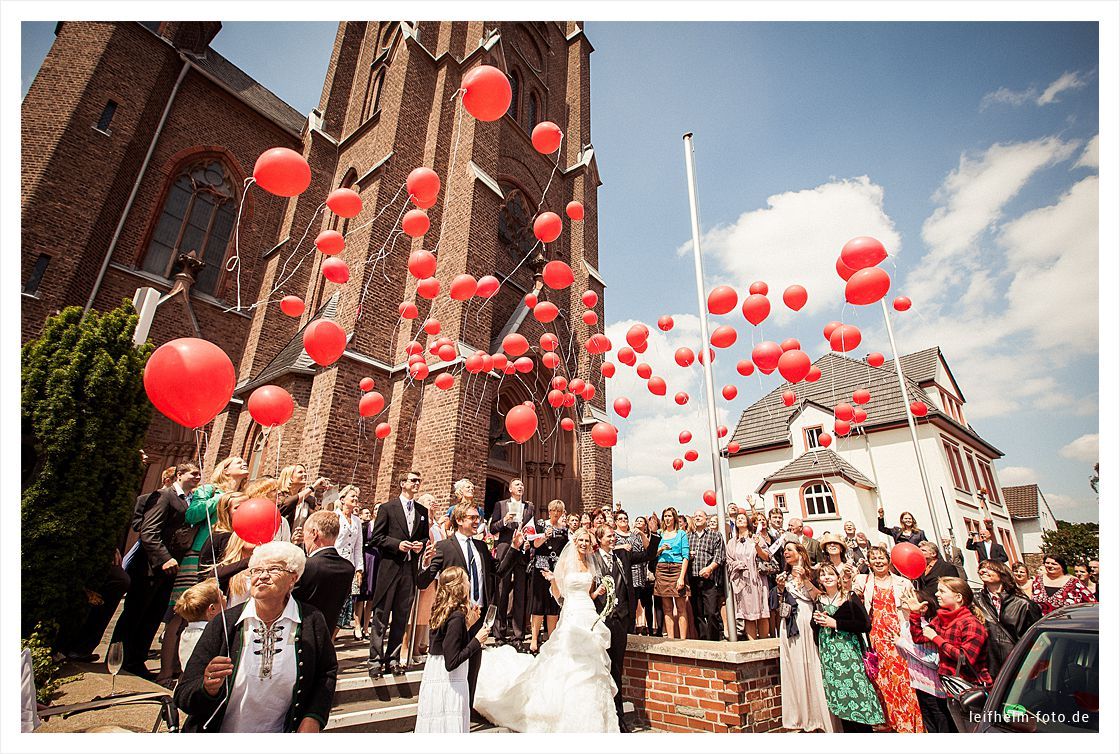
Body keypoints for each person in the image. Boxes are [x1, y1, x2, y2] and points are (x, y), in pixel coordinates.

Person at [174, 541, 337, 732]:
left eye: (274, 569)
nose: (262, 576)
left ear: (293, 578)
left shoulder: (311, 620)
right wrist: (207, 688)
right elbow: (183, 694)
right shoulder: (225, 622)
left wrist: (313, 717)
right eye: (257, 570)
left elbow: (326, 672)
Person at [473, 527, 620, 733]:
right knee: (570, 659)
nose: (584, 544)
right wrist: (560, 595)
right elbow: (559, 593)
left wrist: (599, 592)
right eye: (581, 540)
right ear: (575, 542)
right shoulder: (565, 563)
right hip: (572, 613)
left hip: (588, 613)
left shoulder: (591, 564)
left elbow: (590, 594)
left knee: (593, 663)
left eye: (587, 541)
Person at [417, 502, 522, 706]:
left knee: (473, 667)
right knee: (454, 664)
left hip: (478, 615)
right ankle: (449, 706)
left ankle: (467, 709)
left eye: (478, 518)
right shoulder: (445, 547)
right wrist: (425, 564)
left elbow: (498, 571)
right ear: (459, 520)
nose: (477, 522)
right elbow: (423, 581)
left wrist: (514, 548)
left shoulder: (481, 546)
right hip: (455, 618)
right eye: (472, 518)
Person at [112, 462, 201, 679]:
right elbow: (149, 531)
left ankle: (136, 661)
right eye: (193, 473)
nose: (198, 477)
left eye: (199, 474)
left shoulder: (189, 500)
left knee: (151, 616)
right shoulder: (164, 496)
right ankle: (117, 659)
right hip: (150, 567)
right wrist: (164, 558)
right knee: (135, 614)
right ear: (180, 475)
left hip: (170, 569)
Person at [855, 545, 926, 733]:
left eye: (881, 558)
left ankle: (909, 722)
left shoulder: (903, 582)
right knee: (883, 678)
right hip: (877, 635)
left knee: (903, 677)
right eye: (874, 558)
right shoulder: (864, 581)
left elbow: (912, 608)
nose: (878, 562)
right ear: (869, 562)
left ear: (889, 561)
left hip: (897, 633)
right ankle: (889, 721)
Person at [414, 567, 491, 733]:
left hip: (437, 676)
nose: (470, 584)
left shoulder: (441, 611)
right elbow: (452, 661)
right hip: (449, 683)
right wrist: (477, 640)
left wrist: (469, 626)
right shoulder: (456, 617)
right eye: (466, 581)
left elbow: (447, 642)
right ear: (459, 587)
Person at [368, 471, 429, 677]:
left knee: (401, 617)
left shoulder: (422, 511)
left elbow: (424, 537)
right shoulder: (388, 508)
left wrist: (421, 545)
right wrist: (397, 544)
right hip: (390, 567)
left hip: (410, 570)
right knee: (381, 615)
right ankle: (375, 660)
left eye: (418, 481)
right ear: (402, 483)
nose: (416, 483)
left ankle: (393, 658)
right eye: (413, 480)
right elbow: (376, 538)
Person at [811, 563, 885, 732]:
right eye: (823, 575)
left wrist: (836, 623)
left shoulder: (849, 597)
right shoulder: (819, 600)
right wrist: (817, 621)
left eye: (830, 574)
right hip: (830, 655)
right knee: (842, 699)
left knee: (857, 694)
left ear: (838, 578)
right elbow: (815, 629)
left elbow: (865, 624)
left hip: (849, 653)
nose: (827, 577)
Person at [773, 542, 836, 732]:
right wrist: (780, 588)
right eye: (785, 551)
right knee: (794, 665)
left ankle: (817, 716)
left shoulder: (814, 572)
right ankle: (799, 716)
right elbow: (778, 603)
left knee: (812, 663)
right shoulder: (784, 575)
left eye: (790, 549)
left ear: (800, 552)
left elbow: (819, 597)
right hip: (790, 622)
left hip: (807, 620)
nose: (786, 553)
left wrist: (805, 580)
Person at [905, 577, 993, 697]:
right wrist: (915, 614)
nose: (936, 594)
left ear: (958, 597)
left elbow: (965, 659)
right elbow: (919, 638)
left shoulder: (971, 624)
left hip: (972, 688)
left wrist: (937, 639)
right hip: (951, 687)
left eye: (942, 591)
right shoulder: (941, 618)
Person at [593, 525, 636, 731]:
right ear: (600, 539)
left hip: (620, 619)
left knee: (617, 667)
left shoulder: (620, 557)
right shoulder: (592, 560)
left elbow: (647, 554)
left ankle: (619, 716)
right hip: (601, 620)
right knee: (602, 667)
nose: (613, 539)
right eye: (610, 536)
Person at [293, 510, 356, 637]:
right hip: (326, 636)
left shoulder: (306, 565)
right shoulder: (347, 568)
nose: (304, 539)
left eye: (305, 534)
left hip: (300, 636)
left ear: (314, 533)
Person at [974, 560, 1042, 676]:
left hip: (1018, 666)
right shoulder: (975, 601)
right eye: (981, 568)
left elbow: (1037, 640)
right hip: (988, 666)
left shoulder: (1024, 604)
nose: (983, 571)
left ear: (1002, 574)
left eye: (989, 568)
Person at [488, 478, 535, 645]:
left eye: (522, 484)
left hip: (521, 553)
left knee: (520, 593)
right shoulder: (500, 505)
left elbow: (531, 529)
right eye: (517, 485)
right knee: (501, 591)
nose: (521, 487)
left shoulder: (529, 507)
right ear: (510, 489)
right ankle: (499, 633)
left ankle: (518, 634)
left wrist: (529, 540)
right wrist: (504, 521)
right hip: (505, 550)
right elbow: (492, 528)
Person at [528, 500, 568, 652]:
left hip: (556, 568)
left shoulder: (564, 530)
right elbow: (535, 545)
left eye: (559, 511)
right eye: (553, 511)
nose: (556, 514)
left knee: (553, 604)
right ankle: (534, 639)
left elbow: (565, 550)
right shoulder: (540, 525)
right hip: (541, 567)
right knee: (538, 603)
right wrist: (545, 536)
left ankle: (551, 639)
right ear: (549, 511)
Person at [725, 511, 771, 640]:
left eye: (742, 518)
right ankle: (753, 643)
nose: (740, 519)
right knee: (747, 614)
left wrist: (757, 546)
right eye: (738, 518)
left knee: (762, 613)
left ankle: (764, 642)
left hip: (756, 579)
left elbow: (766, 557)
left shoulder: (756, 538)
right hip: (742, 581)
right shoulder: (732, 542)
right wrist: (736, 564)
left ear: (748, 522)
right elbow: (728, 560)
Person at [409, 493, 442, 657]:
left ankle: (420, 644)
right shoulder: (419, 522)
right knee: (413, 612)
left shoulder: (436, 526)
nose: (433, 503)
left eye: (434, 501)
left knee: (425, 612)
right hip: (420, 571)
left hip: (433, 573)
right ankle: (408, 647)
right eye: (429, 501)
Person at [686, 509, 725, 641]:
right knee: (697, 612)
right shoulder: (688, 536)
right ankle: (703, 639)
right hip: (693, 579)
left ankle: (714, 639)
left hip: (709, 579)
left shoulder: (715, 535)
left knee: (711, 612)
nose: (697, 518)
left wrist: (710, 568)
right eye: (695, 516)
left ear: (706, 518)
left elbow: (720, 556)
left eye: (700, 516)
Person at [173, 579, 225, 672]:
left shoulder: (186, 632)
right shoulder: (209, 635)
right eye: (222, 596)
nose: (225, 598)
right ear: (212, 609)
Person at [654, 507, 690, 639]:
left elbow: (685, 556)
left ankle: (682, 639)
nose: (667, 519)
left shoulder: (681, 534)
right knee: (667, 607)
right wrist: (660, 549)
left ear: (674, 518)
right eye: (665, 516)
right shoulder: (659, 533)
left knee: (681, 606)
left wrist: (681, 577)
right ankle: (670, 638)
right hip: (662, 568)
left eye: (669, 516)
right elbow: (653, 554)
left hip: (677, 568)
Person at [333, 485, 364, 637]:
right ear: (342, 499)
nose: (356, 499)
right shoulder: (334, 516)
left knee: (344, 606)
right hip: (334, 562)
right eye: (353, 496)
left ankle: (332, 638)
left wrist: (359, 569)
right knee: (332, 602)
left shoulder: (357, 521)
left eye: (357, 497)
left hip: (349, 565)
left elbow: (358, 547)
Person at [277, 465, 332, 544]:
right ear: (289, 476)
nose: (305, 475)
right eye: (300, 472)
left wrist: (329, 495)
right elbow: (287, 504)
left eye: (305, 472)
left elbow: (320, 519)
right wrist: (313, 487)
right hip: (280, 542)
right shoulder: (280, 496)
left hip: (300, 545)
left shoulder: (308, 500)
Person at [1030, 552, 1096, 615]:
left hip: (1066, 624)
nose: (1049, 566)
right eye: (1047, 563)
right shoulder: (1037, 581)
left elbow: (1092, 603)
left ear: (1062, 566)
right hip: (1040, 623)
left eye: (1054, 564)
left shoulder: (1074, 583)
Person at [353, 506, 378, 643]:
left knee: (371, 597)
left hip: (377, 560)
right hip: (365, 558)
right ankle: (357, 625)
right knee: (361, 595)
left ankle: (366, 627)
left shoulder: (383, 526)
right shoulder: (365, 526)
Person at [629, 515, 657, 635]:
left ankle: (650, 629)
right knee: (633, 604)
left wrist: (641, 534)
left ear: (645, 525)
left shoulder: (645, 536)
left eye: (641, 521)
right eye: (637, 520)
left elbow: (650, 550)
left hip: (645, 574)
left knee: (648, 604)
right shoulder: (629, 535)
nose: (639, 522)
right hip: (632, 574)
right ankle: (633, 629)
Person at [913, 541, 959, 613]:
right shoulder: (920, 568)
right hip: (928, 608)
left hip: (943, 608)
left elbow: (955, 587)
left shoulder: (946, 567)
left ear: (933, 554)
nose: (920, 552)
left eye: (923, 550)